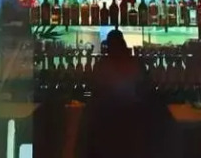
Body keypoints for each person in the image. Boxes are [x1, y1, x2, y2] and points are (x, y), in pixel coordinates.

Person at [76, 29, 182, 158]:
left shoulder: (103, 66)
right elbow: (148, 92)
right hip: (133, 127)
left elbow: (95, 94)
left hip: (110, 128)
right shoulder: (134, 64)